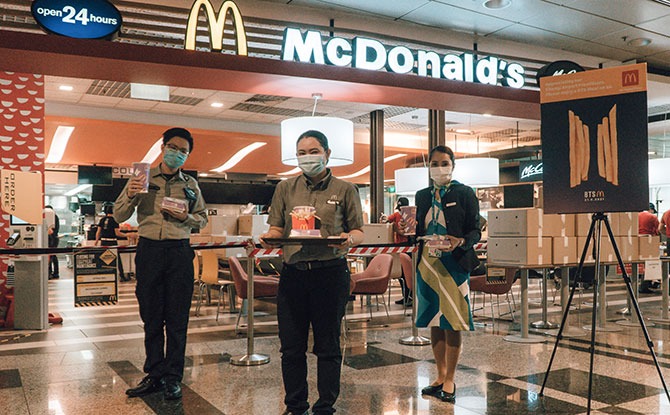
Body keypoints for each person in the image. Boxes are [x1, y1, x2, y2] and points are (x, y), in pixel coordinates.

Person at [260, 130, 364, 415]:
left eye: (313, 151)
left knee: (327, 345)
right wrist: (268, 237)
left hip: (329, 274)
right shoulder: (285, 188)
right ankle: (295, 405)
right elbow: (277, 227)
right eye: (302, 153)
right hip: (294, 274)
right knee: (291, 347)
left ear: (327, 154)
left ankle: (325, 406)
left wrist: (350, 239)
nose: (308, 158)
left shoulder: (345, 189)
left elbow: (358, 230)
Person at [114, 127, 207, 401]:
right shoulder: (141, 177)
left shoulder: (190, 184)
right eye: (173, 147)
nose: (177, 153)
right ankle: (154, 374)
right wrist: (131, 194)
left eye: (183, 151)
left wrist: (184, 217)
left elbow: (201, 220)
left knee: (177, 319)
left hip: (179, 251)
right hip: (150, 250)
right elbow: (119, 214)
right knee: (152, 317)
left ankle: (173, 378)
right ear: (163, 147)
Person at [414, 145, 481, 403]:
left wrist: (461, 241)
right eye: (434, 163)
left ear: (453, 165)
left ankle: (451, 378)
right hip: (427, 264)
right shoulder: (421, 196)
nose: (439, 168)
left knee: (453, 320)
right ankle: (440, 375)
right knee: (434, 320)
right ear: (428, 166)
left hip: (454, 264)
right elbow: (417, 229)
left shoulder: (464, 193)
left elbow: (475, 230)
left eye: (444, 163)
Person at [385, 197, 413, 305]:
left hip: (402, 245)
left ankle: (407, 296)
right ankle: (408, 296)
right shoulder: (410, 216)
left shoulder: (397, 215)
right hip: (409, 245)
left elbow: (386, 220)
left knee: (404, 273)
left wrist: (395, 228)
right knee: (407, 273)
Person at [95, 204, 129, 281]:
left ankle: (102, 276)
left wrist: (96, 241)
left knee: (104, 259)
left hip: (103, 241)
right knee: (117, 260)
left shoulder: (102, 220)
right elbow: (117, 233)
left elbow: (98, 232)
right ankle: (122, 276)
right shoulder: (115, 220)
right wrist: (127, 235)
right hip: (112, 242)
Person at [639, 203, 660, 293]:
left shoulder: (636, 215)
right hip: (648, 240)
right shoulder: (652, 217)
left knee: (638, 264)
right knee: (650, 263)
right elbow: (658, 230)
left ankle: (636, 283)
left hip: (636, 240)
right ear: (651, 209)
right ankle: (644, 285)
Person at [45, 205, 60, 279]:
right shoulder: (55, 217)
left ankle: (51, 272)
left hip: (52, 239)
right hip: (54, 238)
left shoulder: (52, 217)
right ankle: (55, 273)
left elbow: (51, 231)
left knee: (50, 256)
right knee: (53, 256)